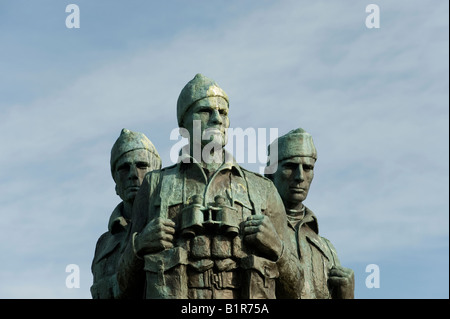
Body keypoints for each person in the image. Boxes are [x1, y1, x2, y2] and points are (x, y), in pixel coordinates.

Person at [117, 74, 302, 299]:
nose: (217, 118)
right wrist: (139, 246)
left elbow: (297, 289)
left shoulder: (262, 190)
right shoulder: (156, 185)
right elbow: (123, 287)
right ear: (183, 123)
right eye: (205, 111)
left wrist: (278, 249)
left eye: (223, 112)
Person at [265, 128, 354, 299]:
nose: (300, 176)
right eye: (290, 166)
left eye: (307, 168)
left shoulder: (326, 250)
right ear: (270, 173)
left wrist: (347, 296)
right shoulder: (259, 228)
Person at [90, 128, 162, 298]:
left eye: (142, 166)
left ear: (157, 172)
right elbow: (101, 293)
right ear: (115, 180)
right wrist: (138, 248)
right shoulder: (104, 244)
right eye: (124, 168)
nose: (133, 175)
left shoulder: (171, 220)